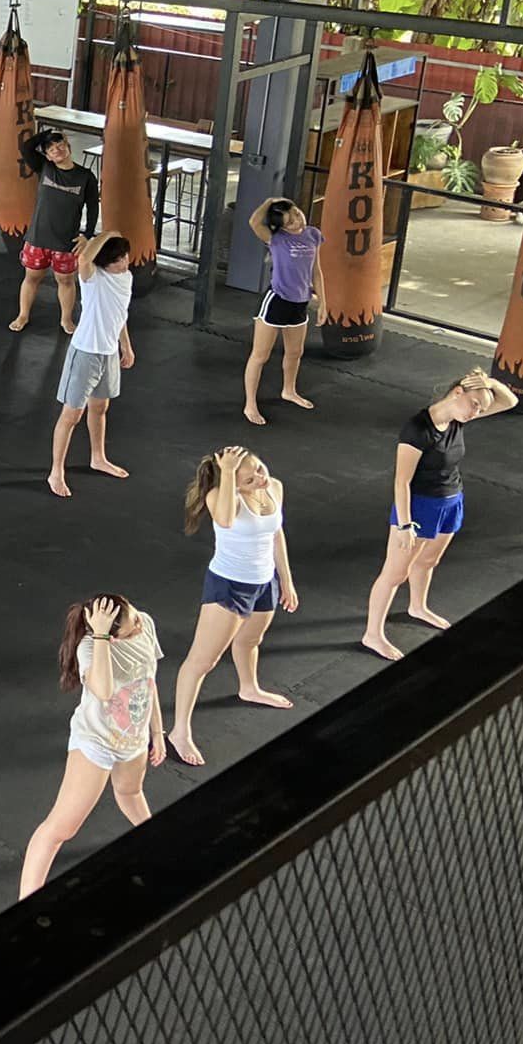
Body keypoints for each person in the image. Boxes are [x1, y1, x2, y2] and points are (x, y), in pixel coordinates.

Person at [362, 369, 517, 660]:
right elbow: (402, 481)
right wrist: (406, 524)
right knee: (395, 573)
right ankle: (372, 634)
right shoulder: (417, 429)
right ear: (458, 392)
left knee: (429, 560)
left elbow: (509, 403)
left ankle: (417, 607)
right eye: (474, 404)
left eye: (481, 408)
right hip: (418, 507)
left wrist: (491, 384)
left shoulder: (459, 418)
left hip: (450, 500)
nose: (477, 412)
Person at [18, 595, 164, 899]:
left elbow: (148, 681)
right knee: (60, 829)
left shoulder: (145, 624)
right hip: (97, 743)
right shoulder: (89, 648)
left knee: (130, 792)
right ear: (109, 636)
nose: (139, 625)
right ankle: (26, 903)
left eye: (136, 616)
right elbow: (104, 689)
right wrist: (99, 637)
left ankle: (157, 842)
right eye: (130, 627)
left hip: (132, 742)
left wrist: (157, 732)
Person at [168, 447, 298, 766]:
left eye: (260, 468)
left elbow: (276, 534)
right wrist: (227, 474)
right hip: (229, 585)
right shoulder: (220, 497)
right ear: (234, 483)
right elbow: (225, 520)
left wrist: (286, 580)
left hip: (264, 581)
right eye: (250, 478)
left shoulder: (274, 487)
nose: (260, 478)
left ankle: (249, 687)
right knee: (202, 660)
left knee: (251, 641)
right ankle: (179, 731)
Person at [46, 232, 135, 499]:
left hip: (108, 354)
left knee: (100, 408)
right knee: (71, 415)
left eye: (125, 257)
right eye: (118, 259)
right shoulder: (92, 278)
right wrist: (108, 233)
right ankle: (55, 471)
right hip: (85, 352)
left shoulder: (126, 278)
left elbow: (121, 314)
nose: (124, 262)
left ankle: (98, 458)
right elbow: (84, 258)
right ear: (105, 263)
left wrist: (126, 345)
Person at [241, 197, 327, 426]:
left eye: (297, 214)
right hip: (277, 301)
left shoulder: (313, 235)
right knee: (260, 355)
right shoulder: (276, 239)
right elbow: (253, 222)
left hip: (300, 303)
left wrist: (324, 304)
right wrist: (269, 201)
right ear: (282, 227)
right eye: (290, 222)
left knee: (295, 352)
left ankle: (289, 390)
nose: (298, 222)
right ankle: (250, 403)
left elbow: (316, 272)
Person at [9, 129, 98, 334]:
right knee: (31, 277)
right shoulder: (45, 167)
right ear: (47, 156)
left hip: (66, 241)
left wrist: (87, 235)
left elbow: (93, 207)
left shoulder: (85, 177)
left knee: (66, 280)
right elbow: (26, 147)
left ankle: (66, 320)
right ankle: (23, 315)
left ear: (68, 146)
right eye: (50, 149)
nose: (56, 150)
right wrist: (47, 133)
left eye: (59, 145)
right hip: (38, 238)